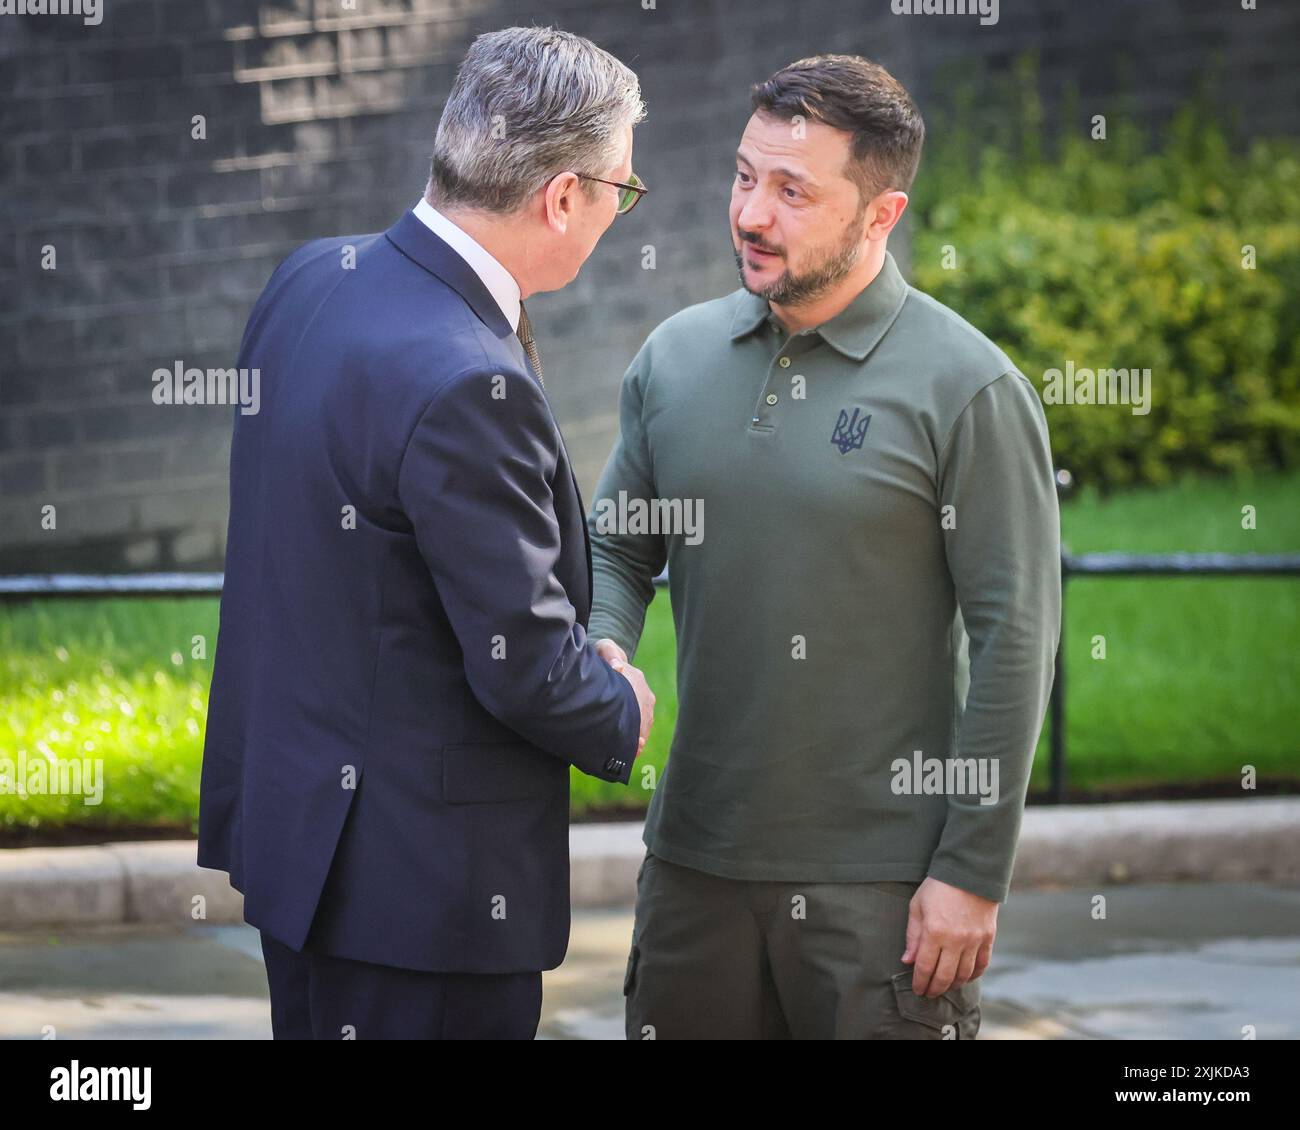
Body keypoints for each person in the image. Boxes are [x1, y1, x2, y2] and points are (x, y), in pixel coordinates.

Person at [588, 54, 1061, 1040]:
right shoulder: (672, 359)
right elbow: (622, 546)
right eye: (743, 175)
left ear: (879, 215)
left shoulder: (966, 388)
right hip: (692, 867)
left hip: (880, 889)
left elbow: (1016, 633)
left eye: (793, 190)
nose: (752, 214)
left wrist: (970, 871)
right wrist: (603, 643)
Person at [198, 25, 654, 1040]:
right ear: (562, 197)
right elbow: (521, 660)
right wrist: (617, 704)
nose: (618, 212)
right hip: (424, 900)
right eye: (621, 191)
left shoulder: (308, 279)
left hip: (302, 849)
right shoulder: (465, 380)